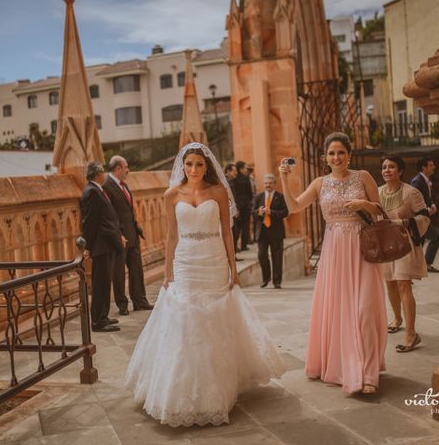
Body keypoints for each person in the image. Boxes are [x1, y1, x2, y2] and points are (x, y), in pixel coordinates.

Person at [125, 143, 285, 427]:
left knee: (215, 320)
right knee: (186, 320)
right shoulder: (171, 195)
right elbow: (171, 237)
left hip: (214, 259)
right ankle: (182, 391)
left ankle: (218, 389)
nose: (194, 169)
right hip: (186, 262)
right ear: (182, 167)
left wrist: (233, 270)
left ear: (206, 166)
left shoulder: (219, 192)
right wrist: (166, 273)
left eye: (199, 164)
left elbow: (227, 231)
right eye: (189, 165)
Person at [278, 132, 387, 394]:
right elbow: (293, 207)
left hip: (362, 247)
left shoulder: (363, 177)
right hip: (335, 249)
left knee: (364, 309)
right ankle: (342, 368)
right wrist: (284, 178)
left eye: (341, 152)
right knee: (339, 309)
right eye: (331, 153)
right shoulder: (319, 183)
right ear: (325, 158)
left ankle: (369, 374)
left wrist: (365, 204)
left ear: (349, 154)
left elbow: (381, 210)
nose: (336, 157)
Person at [379, 155, 430, 353]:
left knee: (402, 283)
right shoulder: (377, 191)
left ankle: (411, 333)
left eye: (392, 167)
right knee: (390, 282)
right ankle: (397, 318)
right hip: (385, 243)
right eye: (384, 167)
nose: (387, 170)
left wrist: (404, 223)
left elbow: (425, 217)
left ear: (400, 171)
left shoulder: (412, 192)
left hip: (405, 243)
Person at [103, 155, 154, 316]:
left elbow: (127, 210)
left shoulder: (123, 185)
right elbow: (108, 214)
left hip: (132, 235)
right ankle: (122, 304)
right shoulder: (107, 186)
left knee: (136, 270)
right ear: (117, 168)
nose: (128, 170)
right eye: (125, 167)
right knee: (118, 273)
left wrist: (136, 224)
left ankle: (140, 301)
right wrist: (118, 234)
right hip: (119, 238)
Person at [80, 162, 125, 332]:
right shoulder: (91, 191)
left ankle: (103, 316)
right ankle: (98, 321)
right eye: (103, 171)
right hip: (100, 245)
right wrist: (88, 246)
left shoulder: (97, 189)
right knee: (100, 284)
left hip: (106, 244)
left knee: (105, 283)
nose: (105, 174)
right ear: (98, 173)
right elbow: (89, 222)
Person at [252, 173, 288, 289]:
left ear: (274, 184)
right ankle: (265, 278)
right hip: (262, 231)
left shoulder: (280, 196)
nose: (268, 185)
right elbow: (252, 213)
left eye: (270, 183)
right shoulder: (258, 197)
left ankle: (277, 281)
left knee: (277, 257)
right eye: (266, 183)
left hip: (276, 232)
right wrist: (259, 212)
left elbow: (285, 212)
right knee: (262, 255)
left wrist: (271, 212)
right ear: (264, 184)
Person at [410, 156, 439, 272]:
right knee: (435, 238)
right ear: (424, 168)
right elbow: (414, 201)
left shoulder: (425, 180)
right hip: (419, 218)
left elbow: (427, 198)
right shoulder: (417, 181)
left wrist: (432, 205)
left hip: (424, 217)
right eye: (431, 165)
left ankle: (416, 266)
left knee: (419, 242)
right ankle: (426, 264)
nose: (434, 167)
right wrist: (427, 210)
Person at [232, 161, 254, 251]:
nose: (246, 169)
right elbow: (250, 192)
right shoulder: (246, 178)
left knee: (236, 227)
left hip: (236, 205)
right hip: (245, 205)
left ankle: (235, 247)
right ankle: (243, 246)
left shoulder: (234, 178)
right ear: (240, 169)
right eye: (245, 168)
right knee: (245, 226)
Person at [224, 163, 243, 262]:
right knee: (233, 233)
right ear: (228, 171)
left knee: (234, 233)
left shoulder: (230, 181)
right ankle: (232, 256)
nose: (236, 173)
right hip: (230, 211)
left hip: (232, 210)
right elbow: (229, 198)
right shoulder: (226, 182)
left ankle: (233, 255)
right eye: (234, 171)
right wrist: (234, 209)